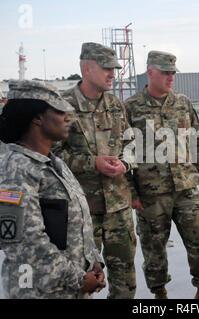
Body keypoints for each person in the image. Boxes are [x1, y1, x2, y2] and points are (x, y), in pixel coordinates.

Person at [0, 80, 105, 298]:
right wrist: (80, 279)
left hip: (71, 289)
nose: (67, 117)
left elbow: (78, 224)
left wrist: (94, 264)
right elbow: (27, 247)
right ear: (37, 117)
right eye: (59, 110)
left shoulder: (54, 164)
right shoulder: (15, 174)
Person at [124, 50, 199, 299]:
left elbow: (197, 142)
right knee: (154, 249)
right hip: (151, 194)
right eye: (165, 72)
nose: (170, 77)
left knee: (198, 242)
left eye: (173, 72)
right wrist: (131, 192)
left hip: (186, 187)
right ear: (150, 72)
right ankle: (160, 294)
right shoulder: (130, 108)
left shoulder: (183, 103)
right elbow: (124, 153)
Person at [52, 42, 136, 299]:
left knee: (125, 283)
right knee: (82, 281)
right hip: (82, 213)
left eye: (114, 68)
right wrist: (92, 163)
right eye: (107, 68)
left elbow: (131, 142)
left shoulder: (115, 104)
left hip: (119, 209)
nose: (113, 73)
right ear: (87, 68)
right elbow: (51, 156)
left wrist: (126, 163)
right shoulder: (61, 106)